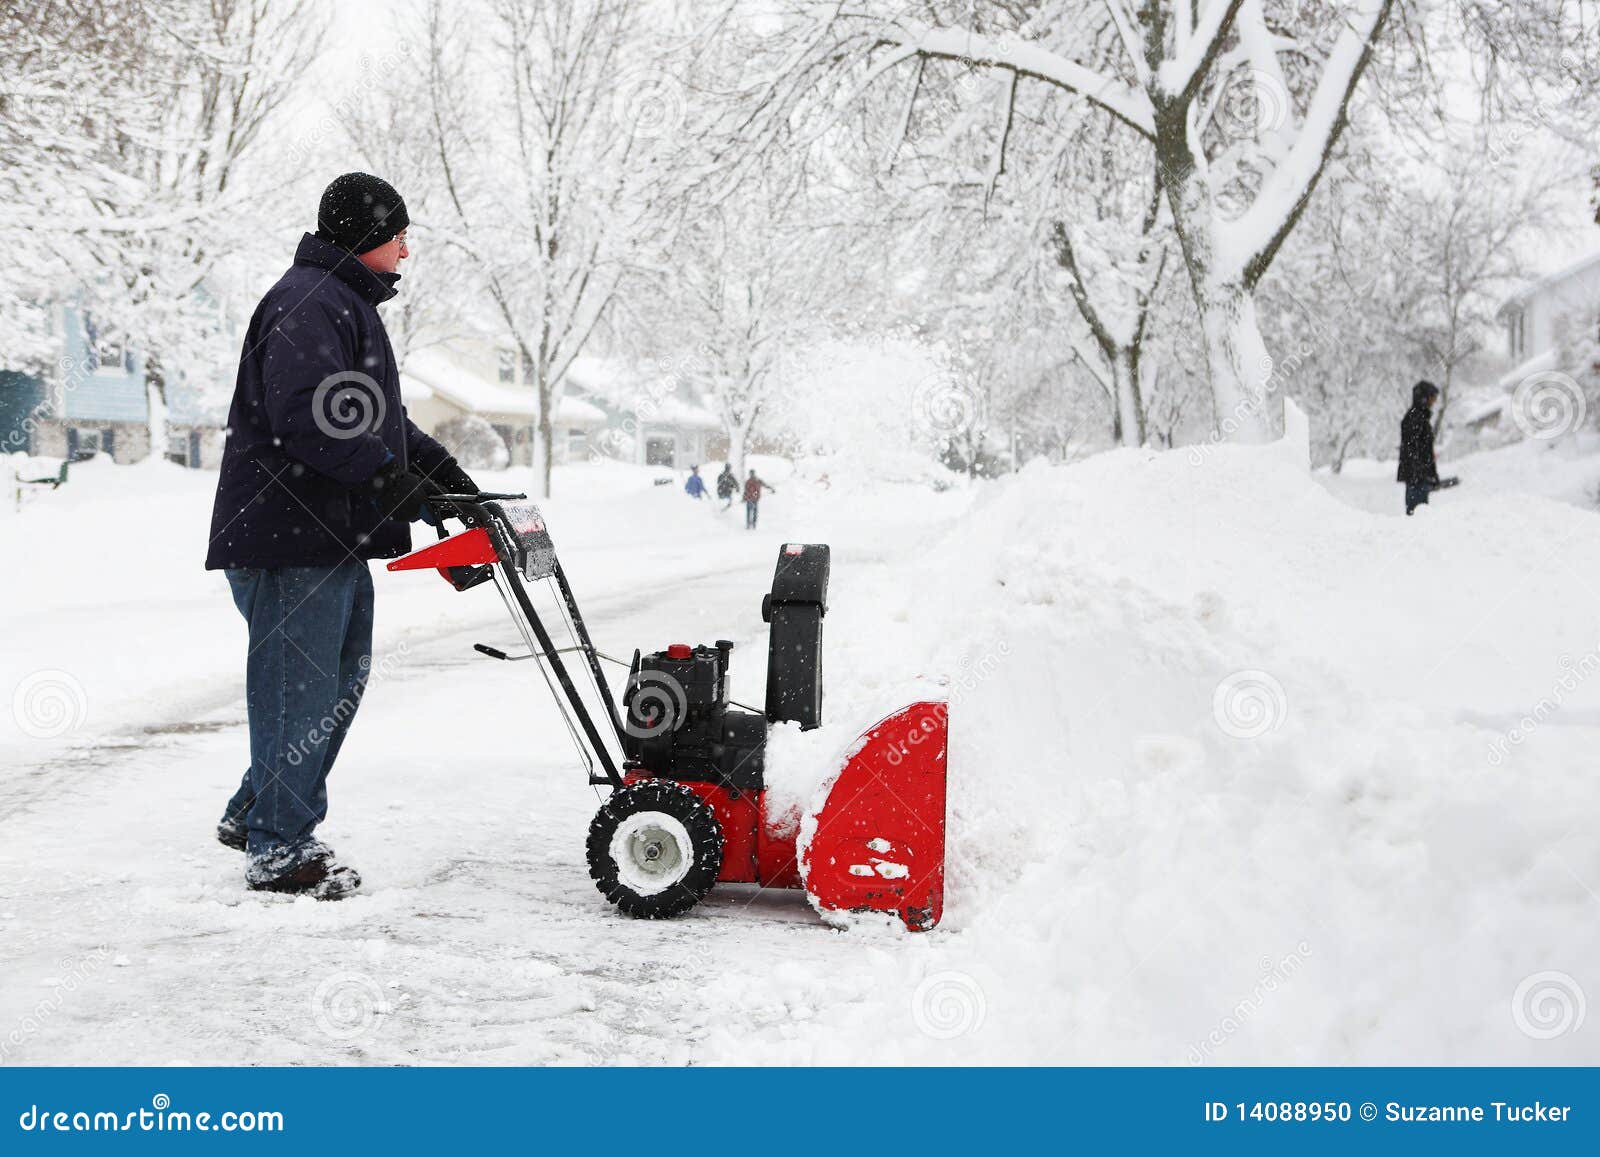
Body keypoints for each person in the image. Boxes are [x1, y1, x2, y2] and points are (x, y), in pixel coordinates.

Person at [205, 172, 480, 900]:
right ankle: (280, 846)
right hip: (291, 538)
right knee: (304, 691)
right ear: (365, 236)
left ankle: (258, 811)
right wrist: (397, 487)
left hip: (323, 537)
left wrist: (441, 472)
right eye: (398, 235)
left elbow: (369, 414)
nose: (406, 250)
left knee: (331, 684)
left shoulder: (337, 302)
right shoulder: (308, 302)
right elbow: (314, 417)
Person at [1397, 380, 1441, 516]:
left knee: (1419, 516)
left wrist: (1432, 475)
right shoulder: (1415, 418)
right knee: (1416, 516)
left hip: (1419, 476)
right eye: (1432, 398)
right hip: (1417, 478)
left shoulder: (1420, 418)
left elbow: (1425, 450)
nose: (1434, 402)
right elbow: (1414, 451)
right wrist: (1422, 472)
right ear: (1425, 398)